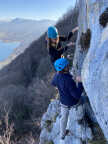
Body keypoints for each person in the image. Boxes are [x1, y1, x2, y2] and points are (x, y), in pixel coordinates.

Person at [51, 58, 83, 140]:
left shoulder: (57, 76)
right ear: (64, 68)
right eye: (67, 65)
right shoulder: (69, 80)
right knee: (83, 103)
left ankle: (62, 134)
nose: (68, 66)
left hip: (63, 103)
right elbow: (77, 95)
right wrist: (80, 82)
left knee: (63, 118)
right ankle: (80, 120)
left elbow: (53, 83)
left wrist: (61, 87)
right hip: (74, 102)